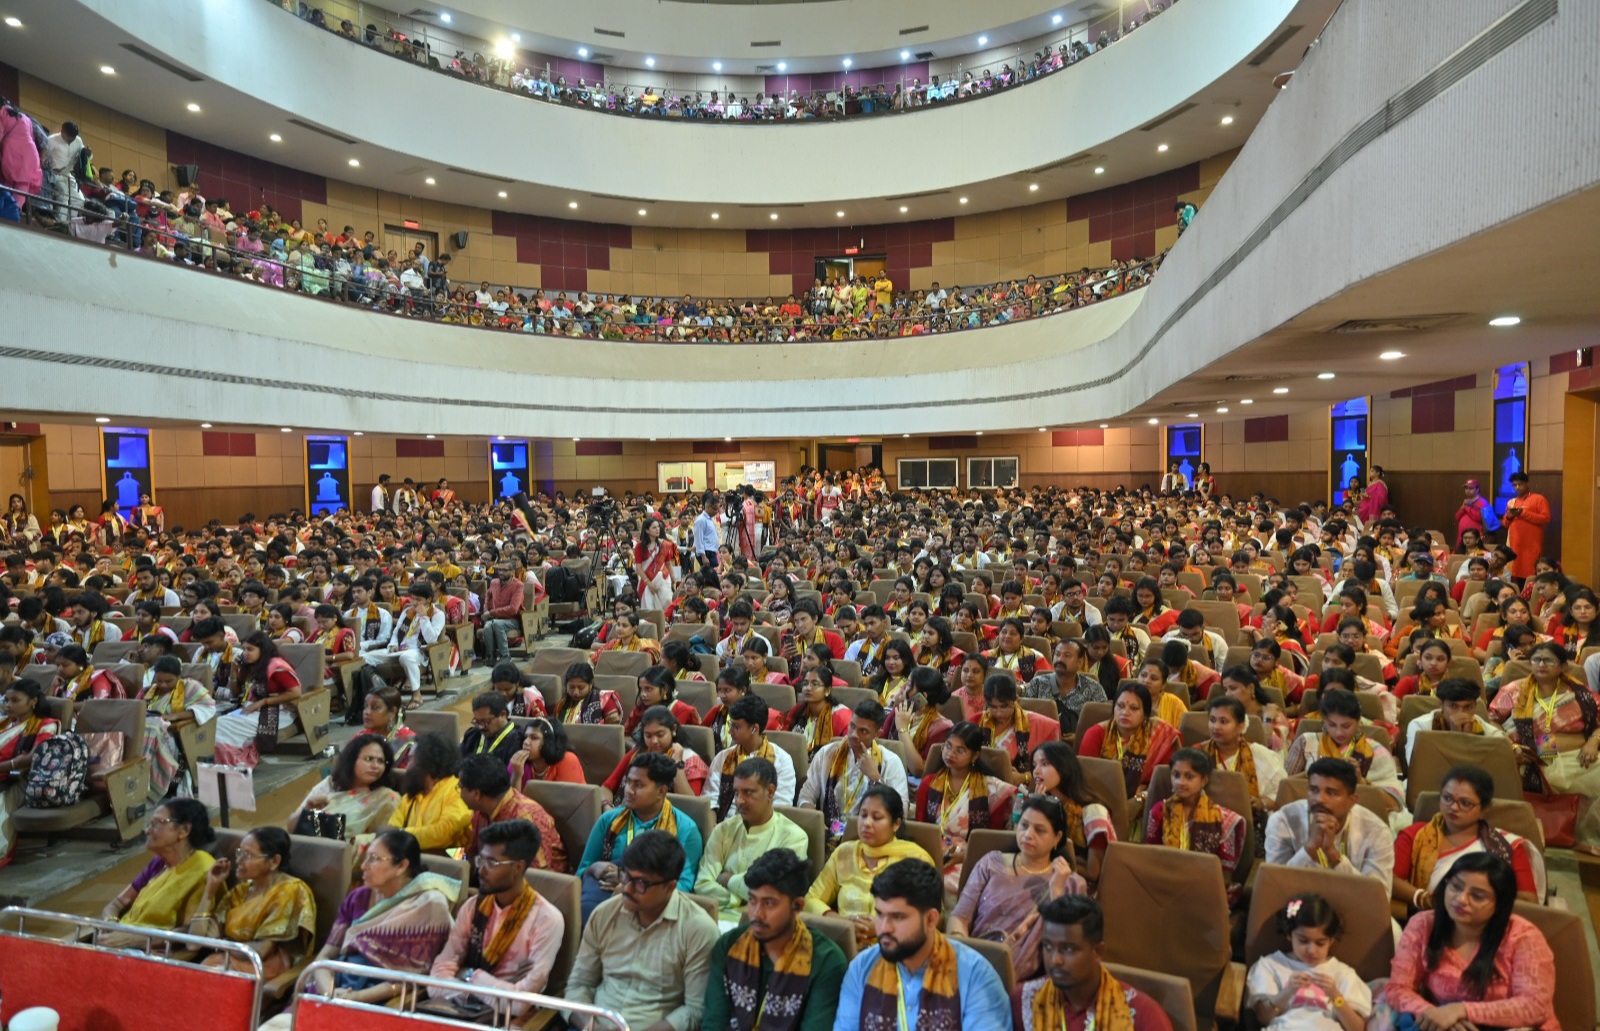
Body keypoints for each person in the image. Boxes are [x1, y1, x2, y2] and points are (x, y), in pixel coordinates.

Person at [564, 829, 720, 1031]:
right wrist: (589, 1026)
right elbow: (579, 984)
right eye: (626, 876)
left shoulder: (698, 930)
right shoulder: (604, 914)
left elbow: (694, 1011)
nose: (626, 888)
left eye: (641, 883)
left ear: (670, 887)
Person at [1382, 853, 1557, 1031]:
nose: (1461, 899)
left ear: (1500, 904)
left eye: (1478, 896)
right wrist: (1438, 1016)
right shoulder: (1423, 925)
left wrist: (1462, 1010)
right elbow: (1397, 988)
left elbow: (1535, 1006)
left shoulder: (1523, 937)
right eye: (1456, 886)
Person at [832, 858, 1011, 1031]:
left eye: (898, 917)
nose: (884, 928)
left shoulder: (975, 976)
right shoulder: (862, 968)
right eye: (879, 914)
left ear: (931, 919)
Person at [303, 828, 460, 1005]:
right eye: (366, 857)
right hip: (333, 988)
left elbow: (413, 977)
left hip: (378, 1000)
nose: (363, 866)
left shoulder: (429, 906)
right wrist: (329, 993)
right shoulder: (358, 897)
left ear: (401, 866)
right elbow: (325, 957)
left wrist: (356, 998)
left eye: (374, 859)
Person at [428, 819, 566, 1017]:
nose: (481, 870)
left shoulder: (547, 919)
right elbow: (436, 979)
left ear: (518, 867)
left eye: (492, 863)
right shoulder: (473, 907)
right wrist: (501, 988)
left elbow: (519, 1005)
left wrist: (469, 974)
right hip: (458, 1012)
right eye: (481, 860)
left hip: (510, 1022)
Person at [703, 848, 848, 1031]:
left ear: (797, 907)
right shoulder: (729, 945)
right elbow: (713, 1023)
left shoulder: (826, 960)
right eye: (752, 901)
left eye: (769, 903)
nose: (757, 914)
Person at [949, 794, 1085, 982]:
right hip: (973, 966)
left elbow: (1068, 947)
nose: (1028, 834)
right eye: (1024, 825)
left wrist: (1056, 892)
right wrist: (962, 952)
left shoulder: (1071, 883)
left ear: (1057, 838)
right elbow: (960, 916)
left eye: (1040, 830)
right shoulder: (991, 863)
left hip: (1030, 984)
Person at [1489, 640, 1600, 846]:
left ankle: (1586, 838)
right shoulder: (1514, 690)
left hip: (1575, 756)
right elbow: (1492, 720)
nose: (1541, 664)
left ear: (1562, 666)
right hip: (1527, 756)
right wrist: (1511, 746)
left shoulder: (1580, 694)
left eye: (1548, 660)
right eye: (1536, 660)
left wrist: (1593, 741)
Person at [1392, 766, 1542, 914]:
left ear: (1484, 809)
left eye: (1465, 803)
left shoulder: (1507, 847)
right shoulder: (1417, 835)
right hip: (1428, 921)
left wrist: (1476, 907)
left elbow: (1528, 902)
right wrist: (1424, 899)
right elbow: (1387, 878)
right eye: (1447, 798)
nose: (1453, 807)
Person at [1014, 894, 1174, 1031]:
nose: (1055, 960)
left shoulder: (1141, 1015)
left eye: (1068, 949)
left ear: (1098, 952)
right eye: (1048, 947)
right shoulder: (1023, 1001)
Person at [577, 751, 705, 921]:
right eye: (629, 782)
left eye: (638, 785)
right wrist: (593, 869)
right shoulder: (609, 820)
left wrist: (629, 882)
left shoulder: (685, 830)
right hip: (603, 898)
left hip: (655, 909)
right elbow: (581, 872)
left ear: (661, 791)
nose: (629, 791)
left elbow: (683, 887)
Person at [805, 784, 936, 946]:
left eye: (877, 817)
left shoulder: (915, 858)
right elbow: (811, 899)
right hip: (844, 944)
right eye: (863, 815)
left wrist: (883, 925)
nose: (867, 823)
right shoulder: (845, 853)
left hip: (896, 947)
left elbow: (929, 915)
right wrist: (842, 923)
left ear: (896, 824)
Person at [695, 756, 811, 925]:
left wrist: (728, 880)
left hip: (762, 925)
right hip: (712, 920)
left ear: (770, 792)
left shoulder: (793, 837)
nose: (739, 801)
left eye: (748, 793)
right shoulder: (723, 829)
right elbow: (702, 885)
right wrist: (739, 898)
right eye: (736, 792)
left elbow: (776, 894)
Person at [189, 826, 317, 979]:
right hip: (225, 961)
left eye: (247, 855)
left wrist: (218, 943)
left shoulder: (290, 890)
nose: (238, 860)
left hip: (263, 969)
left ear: (274, 861)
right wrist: (210, 889)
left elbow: (260, 951)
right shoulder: (239, 892)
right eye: (239, 852)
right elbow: (194, 943)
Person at [917, 721, 1016, 898]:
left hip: (971, 857)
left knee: (948, 885)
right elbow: (920, 828)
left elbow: (992, 840)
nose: (950, 753)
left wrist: (965, 855)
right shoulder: (929, 783)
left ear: (974, 756)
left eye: (960, 750)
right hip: (930, 853)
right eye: (948, 746)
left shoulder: (990, 789)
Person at [1246, 893, 1372, 1031]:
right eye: (1303, 941)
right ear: (1289, 934)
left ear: (1331, 941)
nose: (1311, 950)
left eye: (1320, 943)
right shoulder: (1270, 965)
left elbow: (1357, 1028)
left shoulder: (1343, 973)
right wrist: (1288, 991)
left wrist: (1335, 995)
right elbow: (1262, 1018)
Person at [100, 798, 217, 944]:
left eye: (156, 824)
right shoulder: (160, 863)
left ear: (184, 830)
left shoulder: (204, 871)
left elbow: (190, 932)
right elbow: (115, 905)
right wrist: (111, 923)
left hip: (153, 952)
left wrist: (135, 939)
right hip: (119, 939)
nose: (147, 830)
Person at [1264, 758, 1394, 885]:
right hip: (1296, 904)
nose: (1319, 799)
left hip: (1349, 906)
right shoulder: (1283, 821)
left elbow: (1378, 897)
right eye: (1313, 790)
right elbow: (1275, 886)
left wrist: (1334, 856)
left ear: (1352, 801)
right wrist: (1309, 849)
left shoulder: (1376, 832)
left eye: (1331, 793)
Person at [801, 700, 910, 846]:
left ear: (877, 734)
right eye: (852, 726)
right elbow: (806, 796)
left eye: (863, 731)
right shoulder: (827, 753)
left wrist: (875, 777)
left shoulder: (890, 762)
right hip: (826, 834)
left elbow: (900, 814)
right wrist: (818, 824)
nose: (853, 735)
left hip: (869, 839)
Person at [1143, 748, 1248, 892]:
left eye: (1189, 776)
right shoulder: (1160, 811)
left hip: (1206, 887)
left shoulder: (1223, 819)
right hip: (1164, 882)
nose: (1181, 782)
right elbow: (1151, 857)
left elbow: (1224, 874)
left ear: (1204, 780)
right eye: (1176, 775)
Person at [1283, 689, 1404, 807]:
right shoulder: (1307, 742)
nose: (1339, 732)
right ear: (1324, 721)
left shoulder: (1375, 751)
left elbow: (1394, 803)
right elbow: (1284, 787)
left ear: (1358, 722)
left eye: (1346, 726)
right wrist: (1311, 773)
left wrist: (1360, 782)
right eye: (1332, 725)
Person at [456, 753, 565, 872]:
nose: (459, 793)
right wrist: (450, 858)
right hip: (495, 877)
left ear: (476, 794)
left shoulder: (526, 819)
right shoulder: (481, 812)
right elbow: (471, 855)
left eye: (460, 787)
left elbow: (538, 875)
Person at [284, 732, 401, 841]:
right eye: (369, 759)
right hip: (309, 849)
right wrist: (308, 811)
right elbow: (291, 828)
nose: (375, 766)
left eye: (381, 761)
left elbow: (385, 843)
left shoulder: (386, 798)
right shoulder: (330, 784)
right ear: (351, 760)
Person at [212, 632, 303, 768]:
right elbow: (235, 692)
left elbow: (295, 693)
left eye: (250, 649)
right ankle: (226, 763)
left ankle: (233, 764)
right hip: (251, 707)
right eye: (244, 649)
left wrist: (263, 702)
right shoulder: (248, 665)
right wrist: (233, 672)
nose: (245, 653)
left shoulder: (276, 666)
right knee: (219, 723)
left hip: (277, 710)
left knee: (222, 725)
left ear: (263, 650)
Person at [1075, 682, 1180, 800]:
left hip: (1145, 803)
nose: (1125, 712)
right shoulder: (1096, 734)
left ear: (1145, 714)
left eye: (1134, 708)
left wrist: (1140, 798)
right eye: (1120, 706)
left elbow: (1164, 782)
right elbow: (1084, 778)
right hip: (1099, 799)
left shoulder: (1160, 735)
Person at [135, 654, 215, 803]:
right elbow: (134, 712)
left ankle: (145, 782)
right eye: (159, 681)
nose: (163, 685)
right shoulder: (147, 692)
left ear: (179, 676)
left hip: (176, 737)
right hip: (145, 735)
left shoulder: (190, 687)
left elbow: (208, 707)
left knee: (152, 729)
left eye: (169, 681)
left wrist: (175, 717)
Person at [0, 677, 61, 868]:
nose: (8, 705)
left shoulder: (47, 724)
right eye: (6, 700)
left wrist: (7, 765)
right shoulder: (5, 723)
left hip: (22, 779)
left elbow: (33, 758)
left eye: (15, 700)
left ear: (33, 701)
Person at [706, 694, 799, 815]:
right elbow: (710, 801)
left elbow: (780, 807)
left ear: (754, 729)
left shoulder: (782, 760)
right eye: (730, 725)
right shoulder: (723, 757)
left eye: (736, 727)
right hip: (724, 826)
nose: (729, 731)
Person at [1201, 695, 1286, 817]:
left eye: (1223, 721)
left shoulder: (1261, 755)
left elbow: (1281, 793)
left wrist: (1261, 803)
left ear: (1240, 727)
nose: (1216, 727)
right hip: (1207, 819)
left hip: (1250, 820)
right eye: (1212, 720)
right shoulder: (1199, 753)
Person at [603, 704, 708, 802]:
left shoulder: (689, 759)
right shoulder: (638, 752)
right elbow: (607, 787)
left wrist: (678, 764)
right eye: (648, 736)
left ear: (673, 729)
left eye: (660, 735)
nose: (654, 741)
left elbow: (691, 804)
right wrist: (606, 806)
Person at [364, 582, 446, 706]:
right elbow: (397, 631)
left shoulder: (437, 615)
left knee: (406, 657)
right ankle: (382, 692)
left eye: (418, 600)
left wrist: (424, 617)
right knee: (365, 657)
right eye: (413, 599)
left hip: (419, 652)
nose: (414, 603)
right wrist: (393, 645)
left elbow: (431, 639)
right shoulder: (408, 611)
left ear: (428, 599)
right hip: (399, 649)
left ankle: (417, 696)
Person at [388, 732, 471, 853]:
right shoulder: (410, 796)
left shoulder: (457, 790)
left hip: (451, 864)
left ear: (428, 761)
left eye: (411, 759)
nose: (407, 767)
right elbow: (392, 828)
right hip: (413, 860)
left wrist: (401, 835)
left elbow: (444, 834)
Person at [1400, 678, 1504, 762]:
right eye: (1454, 706)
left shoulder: (1486, 729)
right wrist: (1455, 737)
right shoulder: (1420, 726)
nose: (1461, 713)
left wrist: (1467, 738)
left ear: (1475, 706)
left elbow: (1495, 765)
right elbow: (1416, 765)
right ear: (1441, 704)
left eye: (1468, 707)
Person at [978, 672, 1060, 778]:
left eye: (1004, 707)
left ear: (1016, 700)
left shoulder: (1043, 726)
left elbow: (1053, 771)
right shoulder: (977, 721)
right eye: (993, 707)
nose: (998, 713)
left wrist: (1023, 777)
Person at [1024, 639, 1107, 740]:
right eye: (1057, 654)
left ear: (1080, 662)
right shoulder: (1037, 683)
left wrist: (1080, 738)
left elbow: (1102, 726)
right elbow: (1024, 718)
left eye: (1067, 655)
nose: (1060, 659)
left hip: (1079, 747)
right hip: (1041, 743)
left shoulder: (1094, 689)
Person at [508, 715, 587, 787]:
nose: (526, 742)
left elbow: (569, 799)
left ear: (548, 742)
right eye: (525, 737)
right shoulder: (518, 763)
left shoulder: (567, 759)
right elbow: (512, 801)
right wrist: (517, 775)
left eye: (534, 738)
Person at [479, 558, 528, 664]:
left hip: (513, 620)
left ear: (512, 572)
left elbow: (513, 609)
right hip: (495, 619)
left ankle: (505, 656)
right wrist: (486, 611)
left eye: (505, 570)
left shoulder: (518, 585)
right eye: (500, 570)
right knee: (487, 626)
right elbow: (488, 598)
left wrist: (491, 613)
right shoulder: (494, 582)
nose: (501, 572)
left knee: (497, 624)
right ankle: (491, 656)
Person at [1502, 472, 1549, 581]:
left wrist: (1522, 513)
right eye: (1514, 485)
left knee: (1531, 575)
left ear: (1527, 484)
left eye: (1520, 484)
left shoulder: (1538, 499)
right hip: (1515, 544)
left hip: (1532, 545)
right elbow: (1505, 524)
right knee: (1515, 575)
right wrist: (1509, 517)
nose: (1517, 487)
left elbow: (1545, 518)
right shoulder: (1512, 502)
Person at [461, 691, 520, 766]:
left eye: (485, 721)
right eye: (477, 721)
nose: (480, 727)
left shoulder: (517, 740)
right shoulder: (472, 735)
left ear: (503, 714)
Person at [555, 661, 624, 725]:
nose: (576, 692)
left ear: (590, 685)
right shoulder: (561, 705)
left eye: (581, 687)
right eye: (571, 687)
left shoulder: (604, 699)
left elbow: (614, 727)